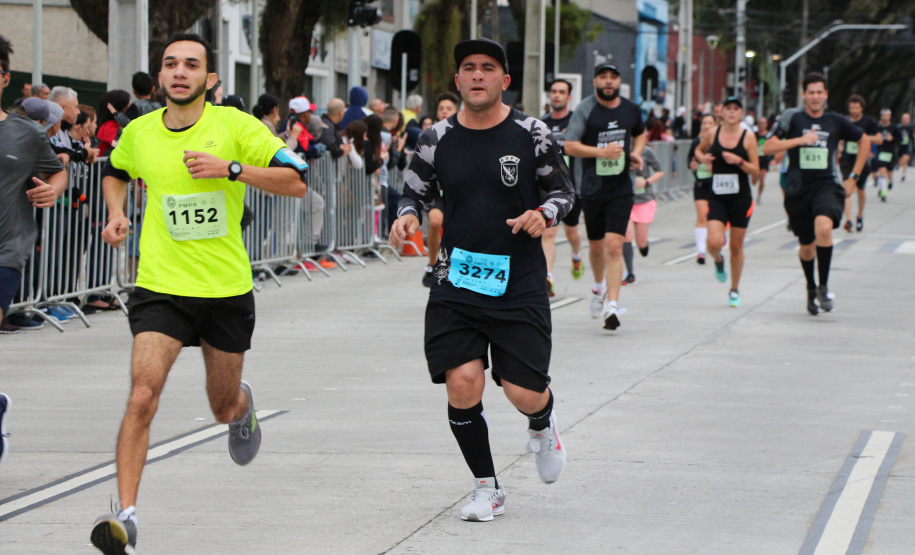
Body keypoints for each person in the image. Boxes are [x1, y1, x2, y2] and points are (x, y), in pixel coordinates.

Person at [89, 33, 308, 554]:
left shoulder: (234, 126)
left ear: (210, 78)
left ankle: (242, 406)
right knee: (143, 394)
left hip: (225, 290)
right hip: (161, 285)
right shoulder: (139, 132)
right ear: (160, 77)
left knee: (220, 404)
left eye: (192, 65)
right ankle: (127, 519)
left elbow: (296, 179)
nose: (180, 72)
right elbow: (116, 171)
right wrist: (118, 213)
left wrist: (231, 169)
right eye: (170, 64)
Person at [389, 37, 573, 523]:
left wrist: (543, 212)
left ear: (504, 80)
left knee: (522, 391)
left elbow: (564, 191)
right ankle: (487, 488)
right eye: (468, 68)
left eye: (487, 68)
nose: (476, 75)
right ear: (457, 80)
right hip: (457, 279)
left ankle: (542, 420)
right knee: (463, 383)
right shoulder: (437, 137)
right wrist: (406, 216)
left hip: (519, 281)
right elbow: (411, 191)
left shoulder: (532, 133)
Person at [763, 72, 870, 316]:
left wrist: (853, 177)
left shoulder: (836, 121)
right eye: (810, 92)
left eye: (819, 92)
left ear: (826, 95)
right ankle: (810, 288)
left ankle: (823, 286)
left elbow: (864, 142)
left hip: (827, 185)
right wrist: (798, 140)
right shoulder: (792, 117)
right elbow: (767, 147)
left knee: (824, 228)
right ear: (804, 94)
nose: (815, 97)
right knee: (807, 247)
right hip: (798, 188)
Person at [564, 62, 646, 331]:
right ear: (595, 82)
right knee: (597, 246)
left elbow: (640, 134)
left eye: (613, 77)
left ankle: (613, 304)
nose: (608, 82)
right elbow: (570, 145)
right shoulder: (585, 109)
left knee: (614, 245)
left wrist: (636, 153)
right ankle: (598, 288)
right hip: (591, 187)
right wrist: (602, 153)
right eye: (603, 77)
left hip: (622, 186)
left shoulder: (630, 109)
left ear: (619, 81)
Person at [0, 34, 68, 334]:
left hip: (7, 248)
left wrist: (52, 190)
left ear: (5, 78)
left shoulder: (27, 134)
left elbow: (58, 171)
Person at [694, 97, 760, 308]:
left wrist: (738, 161)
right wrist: (703, 159)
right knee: (713, 242)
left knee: (736, 246)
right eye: (728, 109)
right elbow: (698, 149)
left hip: (741, 197)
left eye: (736, 109)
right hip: (717, 196)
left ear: (741, 113)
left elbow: (756, 170)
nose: (732, 112)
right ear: (721, 113)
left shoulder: (748, 137)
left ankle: (734, 289)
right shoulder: (713, 133)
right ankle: (719, 261)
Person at [539, 78, 584, 296]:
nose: (556, 95)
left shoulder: (576, 121)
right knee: (549, 232)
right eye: (553, 91)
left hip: (572, 185)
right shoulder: (541, 123)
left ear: (568, 97)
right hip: (549, 188)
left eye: (561, 92)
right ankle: (548, 277)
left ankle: (576, 255)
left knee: (572, 232)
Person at [621, 144, 664, 284]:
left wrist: (646, 182)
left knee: (641, 241)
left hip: (644, 200)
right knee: (626, 236)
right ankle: (630, 273)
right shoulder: (619, 148)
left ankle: (643, 246)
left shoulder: (647, 151)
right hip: (625, 199)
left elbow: (660, 171)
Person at [840, 95, 880, 232]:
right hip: (847, 159)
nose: (854, 110)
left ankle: (860, 215)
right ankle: (849, 221)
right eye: (851, 108)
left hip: (862, 161)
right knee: (847, 189)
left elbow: (879, 139)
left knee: (860, 190)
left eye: (856, 108)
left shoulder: (868, 122)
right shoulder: (845, 121)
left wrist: (862, 138)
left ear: (862, 108)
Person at [689, 113, 717, 264]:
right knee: (701, 217)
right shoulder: (696, 142)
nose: (706, 126)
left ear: (715, 125)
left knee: (714, 219)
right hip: (700, 184)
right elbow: (690, 159)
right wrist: (691, 165)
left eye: (710, 123)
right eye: (704, 123)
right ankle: (701, 252)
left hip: (716, 185)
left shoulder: (719, 141)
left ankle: (717, 241)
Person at [96, 90, 132, 156]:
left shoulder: (114, 124)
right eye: (127, 103)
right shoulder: (110, 126)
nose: (129, 105)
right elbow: (116, 146)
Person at [874, 108, 898, 203]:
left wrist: (892, 139)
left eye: (886, 115)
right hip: (881, 152)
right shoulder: (878, 128)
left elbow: (900, 139)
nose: (884, 117)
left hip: (891, 152)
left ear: (890, 117)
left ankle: (890, 181)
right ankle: (883, 192)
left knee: (889, 172)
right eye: (883, 115)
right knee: (882, 171)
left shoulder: (894, 128)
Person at [754, 115, 772, 203]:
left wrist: (772, 158)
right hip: (755, 159)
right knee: (754, 179)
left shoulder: (769, 135)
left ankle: (759, 196)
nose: (761, 125)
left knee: (762, 178)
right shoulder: (754, 135)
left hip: (765, 160)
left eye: (763, 123)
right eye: (760, 123)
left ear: (766, 124)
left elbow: (773, 147)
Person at [897, 112, 912, 183]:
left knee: (905, 160)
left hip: (907, 146)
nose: (905, 120)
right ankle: (898, 166)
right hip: (899, 146)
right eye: (904, 118)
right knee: (900, 161)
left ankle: (903, 174)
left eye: (907, 119)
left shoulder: (911, 128)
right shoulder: (898, 127)